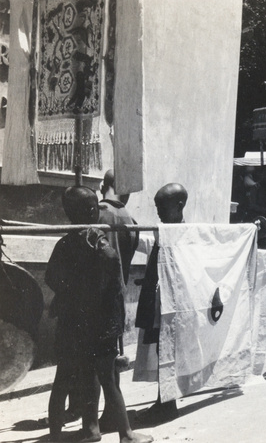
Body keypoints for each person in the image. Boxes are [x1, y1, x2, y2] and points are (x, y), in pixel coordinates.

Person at [46, 186, 152, 443]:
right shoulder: (96, 239)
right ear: (92, 210)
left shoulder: (64, 242)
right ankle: (126, 435)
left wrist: (69, 294)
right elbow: (112, 264)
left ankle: (63, 434)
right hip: (98, 323)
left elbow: (50, 277)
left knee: (65, 378)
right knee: (107, 378)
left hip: (73, 323)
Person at [135, 183, 187, 424]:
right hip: (159, 304)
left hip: (174, 307)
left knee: (168, 353)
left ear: (179, 206)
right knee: (160, 351)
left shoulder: (185, 236)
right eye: (156, 206)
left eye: (161, 206)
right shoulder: (164, 232)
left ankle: (167, 404)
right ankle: (163, 400)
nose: (157, 211)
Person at [97, 169, 139, 432]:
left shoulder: (99, 211)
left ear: (104, 185)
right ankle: (112, 413)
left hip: (97, 296)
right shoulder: (130, 217)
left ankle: (103, 418)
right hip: (118, 295)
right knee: (110, 355)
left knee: (98, 360)